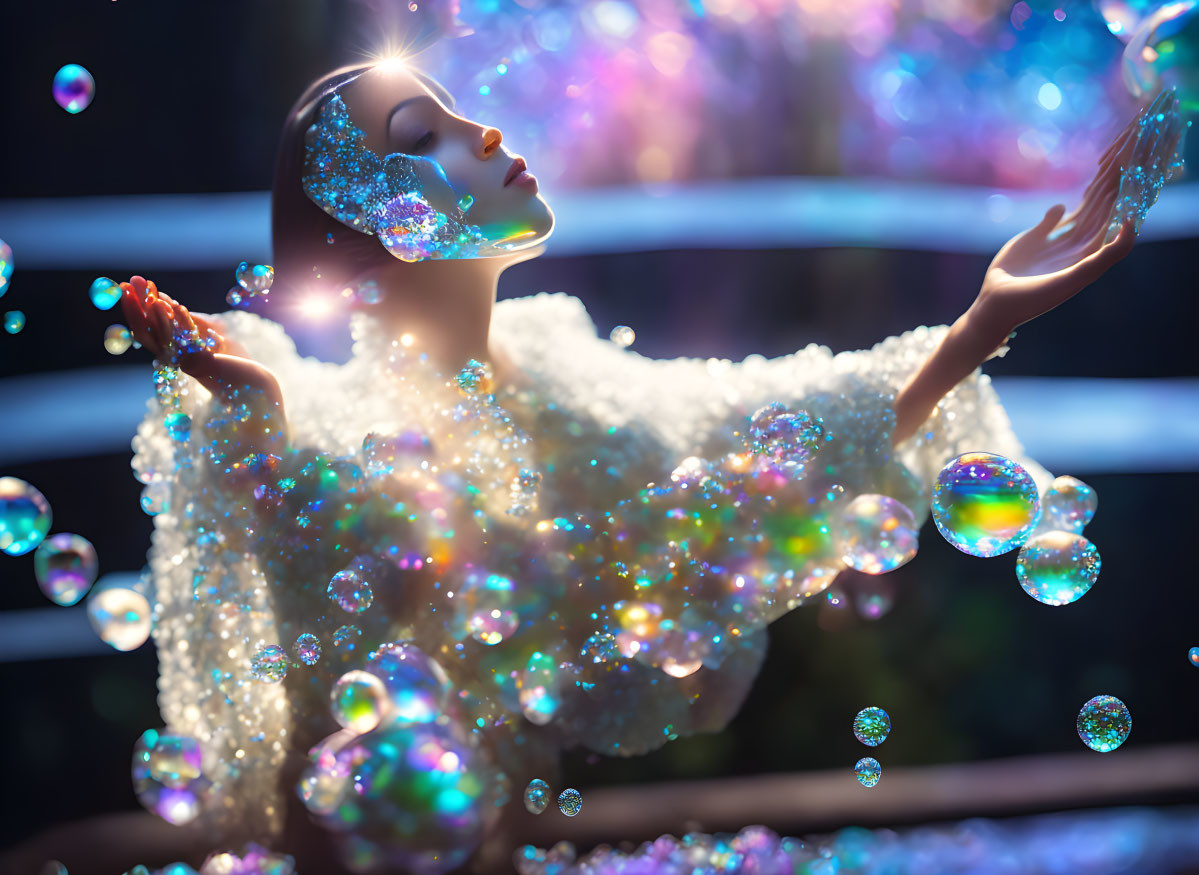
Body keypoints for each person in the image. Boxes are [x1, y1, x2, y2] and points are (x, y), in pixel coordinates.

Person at [115, 60, 1180, 870]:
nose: (483, 130)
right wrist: (254, 432)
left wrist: (984, 316)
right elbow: (324, 749)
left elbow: (772, 449)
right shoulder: (337, 444)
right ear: (371, 227)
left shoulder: (560, 377)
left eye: (455, 111)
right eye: (421, 134)